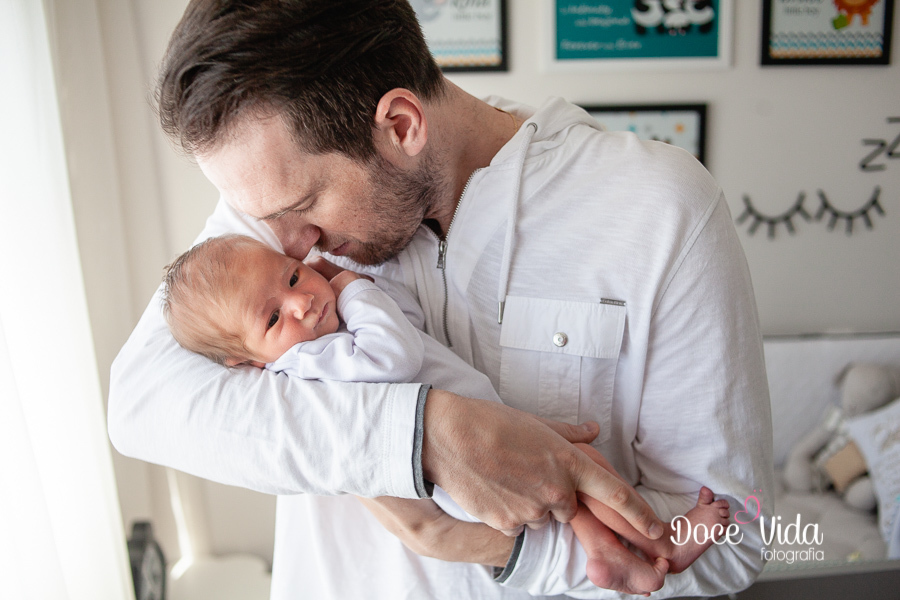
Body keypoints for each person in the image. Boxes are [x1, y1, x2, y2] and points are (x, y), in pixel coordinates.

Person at [108, 1, 774, 598]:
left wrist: (501, 548)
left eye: (302, 209)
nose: (291, 248)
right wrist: (427, 435)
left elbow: (735, 536)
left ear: (400, 124)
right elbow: (142, 403)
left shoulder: (659, 212)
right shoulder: (274, 206)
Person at [161, 233, 733, 595]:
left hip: (483, 433)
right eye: (272, 318)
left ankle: (608, 555)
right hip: (469, 468)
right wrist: (355, 289)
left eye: (291, 277)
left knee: (573, 486)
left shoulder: (307, 344)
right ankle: (662, 543)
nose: (302, 302)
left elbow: (407, 319)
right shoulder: (317, 364)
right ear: (247, 361)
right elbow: (397, 351)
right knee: (577, 469)